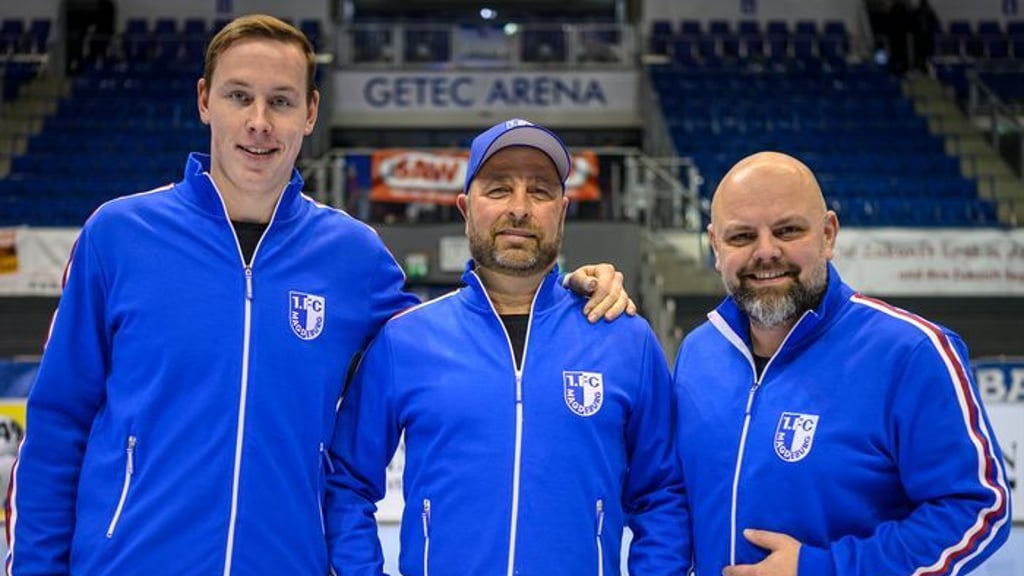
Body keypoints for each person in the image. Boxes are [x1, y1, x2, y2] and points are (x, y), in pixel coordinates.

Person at [5, 16, 632, 575]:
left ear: (309, 112)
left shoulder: (352, 257)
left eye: (280, 101)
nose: (258, 121)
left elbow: (465, 337)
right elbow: (60, 421)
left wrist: (568, 292)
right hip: (126, 560)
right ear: (205, 101)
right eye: (239, 97)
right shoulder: (119, 236)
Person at [325, 118, 690, 575]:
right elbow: (346, 484)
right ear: (465, 207)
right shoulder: (406, 340)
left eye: (539, 191)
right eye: (498, 189)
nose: (519, 209)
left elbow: (662, 495)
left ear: (562, 209)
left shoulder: (624, 339)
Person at [674, 151, 1011, 576]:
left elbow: (977, 508)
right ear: (715, 248)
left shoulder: (911, 352)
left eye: (788, 230)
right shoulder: (697, 354)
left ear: (828, 234)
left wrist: (824, 568)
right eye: (741, 237)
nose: (766, 252)